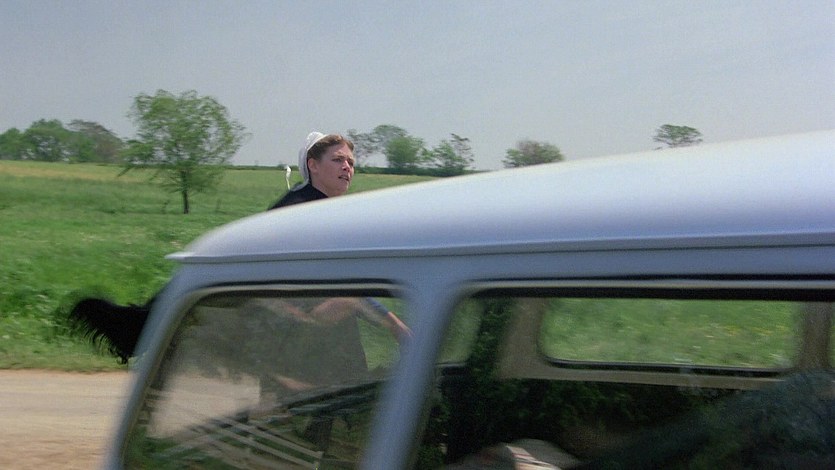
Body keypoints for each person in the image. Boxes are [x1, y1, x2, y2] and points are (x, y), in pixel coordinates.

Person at [268, 132, 411, 343]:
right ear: (313, 165)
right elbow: (345, 288)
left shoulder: (322, 208)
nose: (347, 167)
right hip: (297, 338)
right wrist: (393, 324)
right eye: (338, 160)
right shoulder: (300, 213)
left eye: (350, 163)